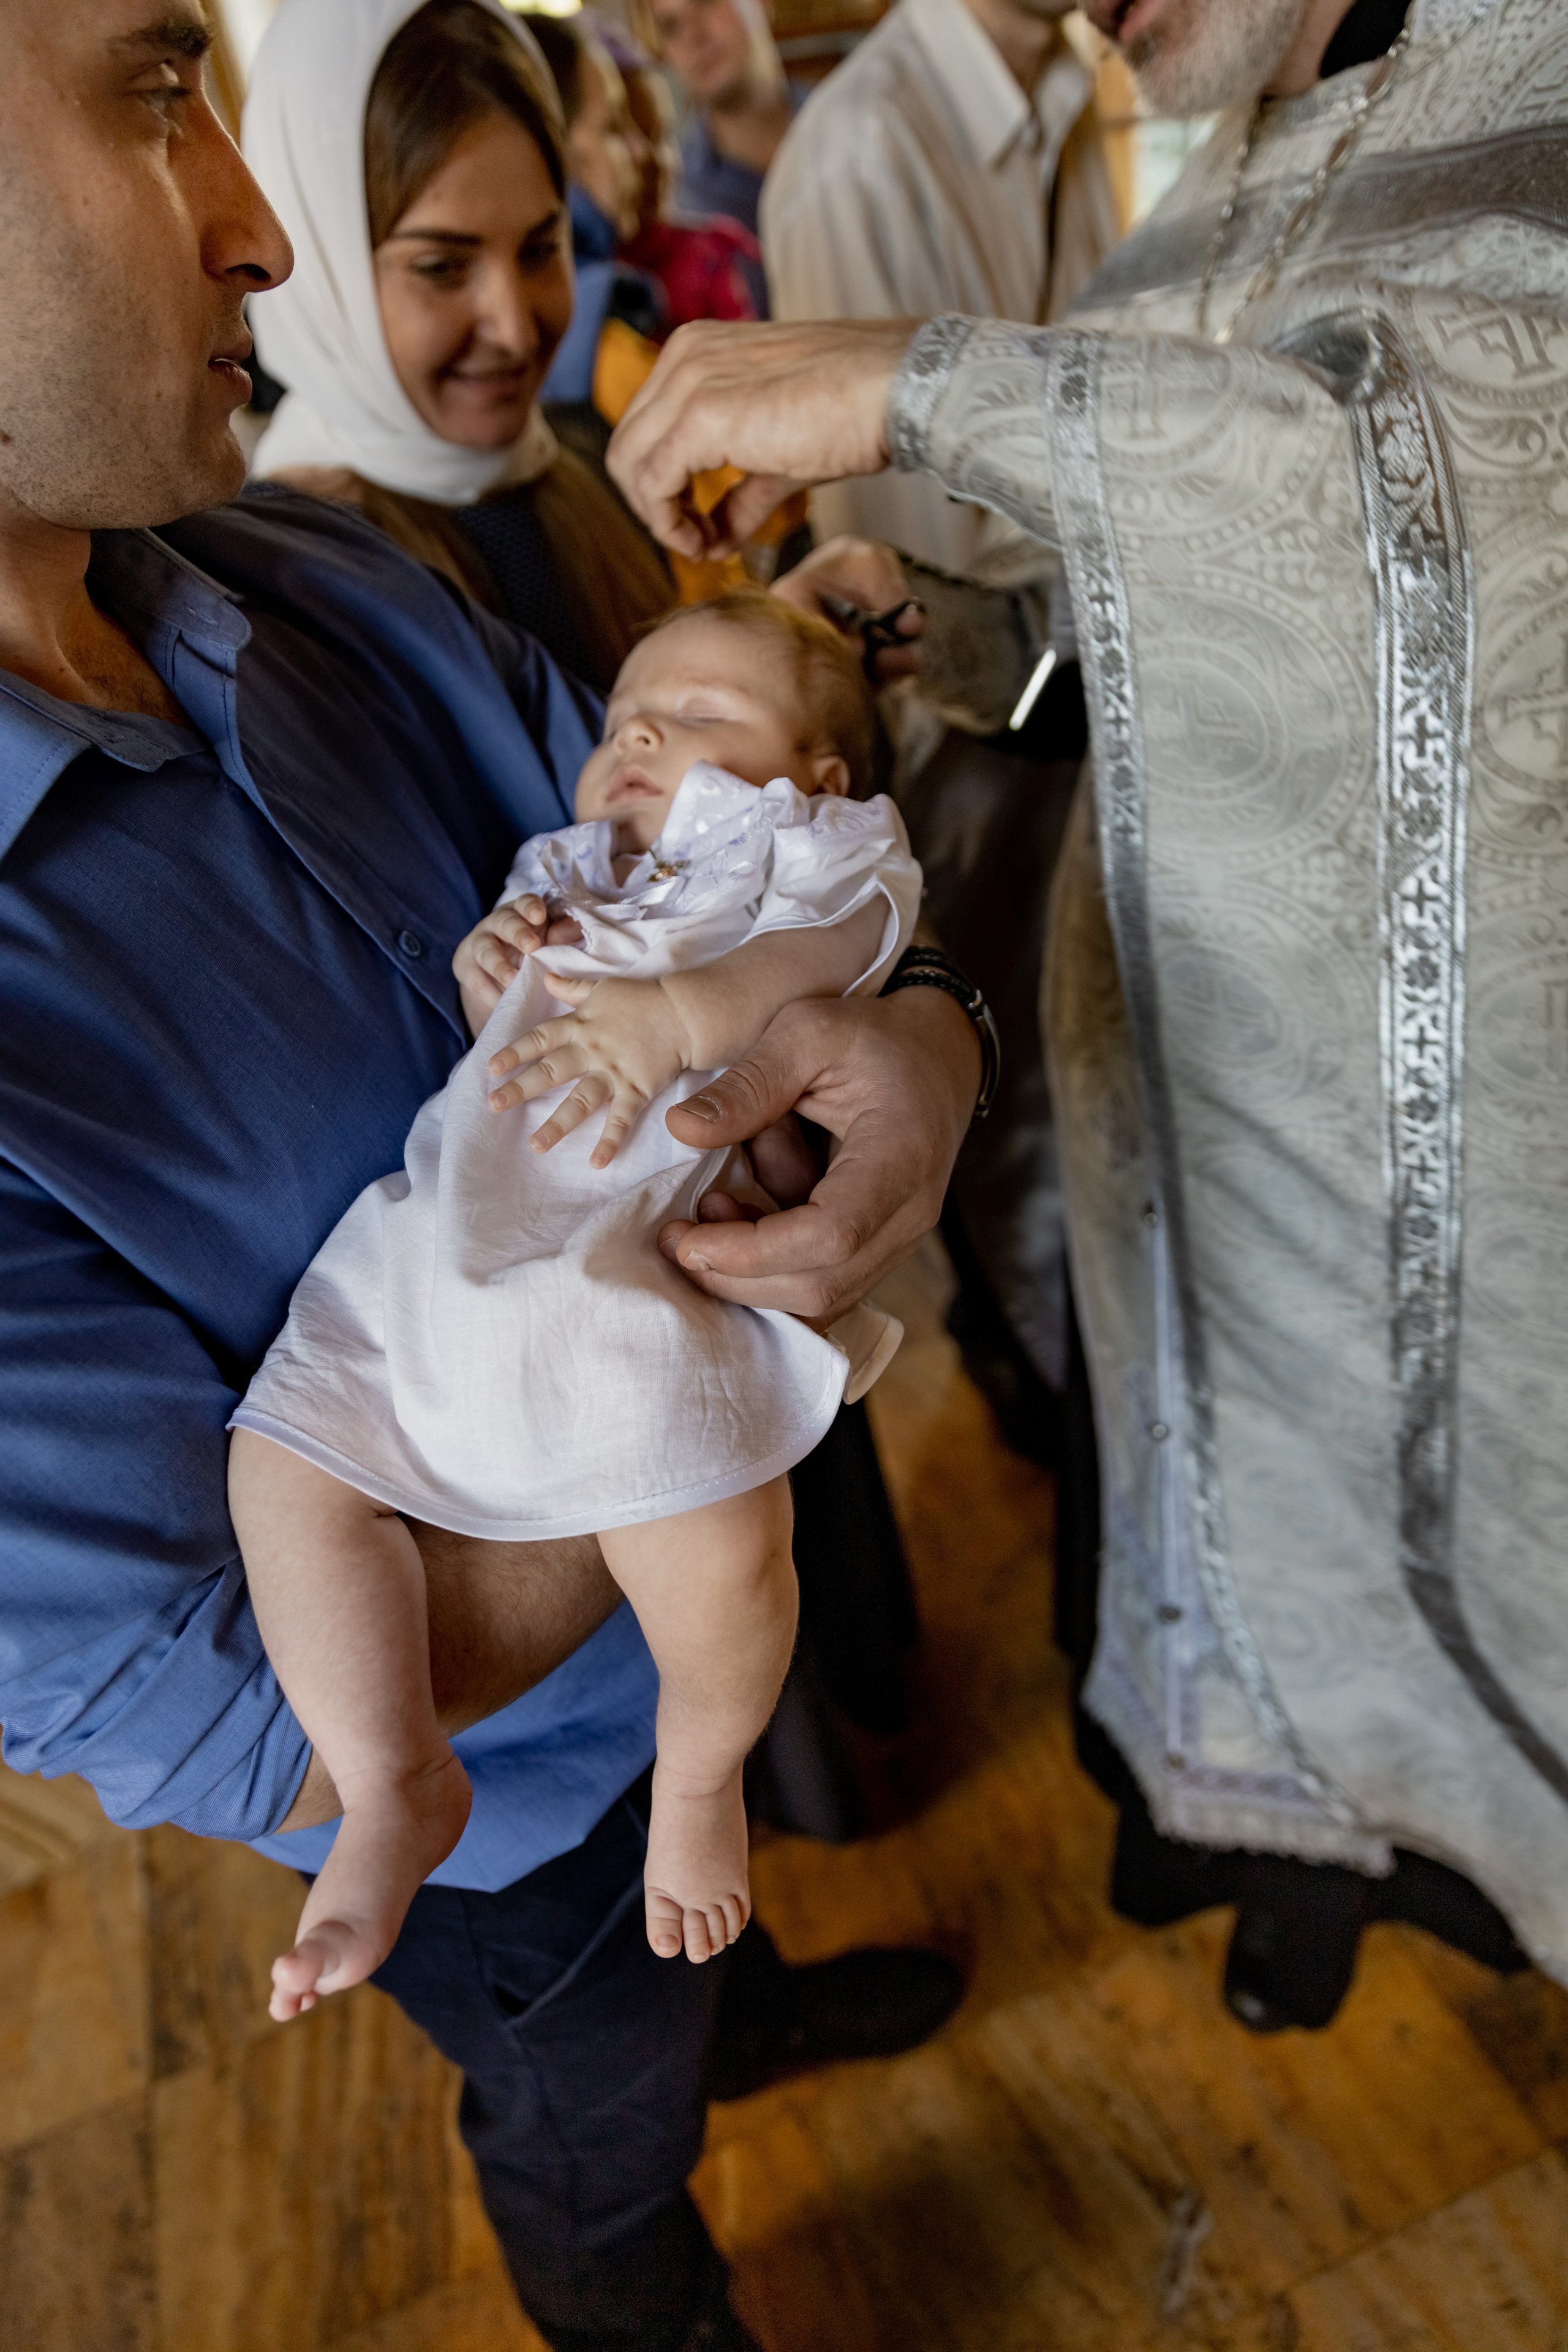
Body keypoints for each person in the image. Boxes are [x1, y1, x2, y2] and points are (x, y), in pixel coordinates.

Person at [0, 4, 982, 2346]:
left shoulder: (306, 584)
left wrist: (928, 1039)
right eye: (153, 96)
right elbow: (247, 1694)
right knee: (585, 2109)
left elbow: (734, 890)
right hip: (508, 1825)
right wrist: (719, 1380)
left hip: (661, 1671)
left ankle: (727, 2003)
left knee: (696, 1953)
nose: (257, 228)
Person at [608, 0, 1568, 2024]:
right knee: (1232, 1494)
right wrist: (976, 633)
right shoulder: (1232, 167)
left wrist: (929, 385)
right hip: (1207, 1090)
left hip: (1456, 1118)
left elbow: (1441, 490)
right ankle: (1311, 1842)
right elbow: (1215, 590)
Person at [230, 594, 920, 2014]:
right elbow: (513, 980)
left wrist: (679, 1017)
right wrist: (500, 950)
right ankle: (389, 1777)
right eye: (627, 721)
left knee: (717, 1533)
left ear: (821, 776)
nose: (648, 732)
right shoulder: (575, 866)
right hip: (441, 1249)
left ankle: (702, 1767)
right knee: (286, 1460)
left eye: (707, 717)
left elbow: (839, 945)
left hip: (626, 1265)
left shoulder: (812, 860)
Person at [761, 0, 1121, 1437]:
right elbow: (924, 592)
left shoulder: (1083, 101)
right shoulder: (857, 159)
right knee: (1020, 1111)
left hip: (1102, 709)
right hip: (994, 745)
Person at [608, 21, 767, 328]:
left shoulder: (706, 258)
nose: (648, 158)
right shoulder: (583, 288)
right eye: (617, 134)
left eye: (659, 136)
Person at [642, 0, 801, 244]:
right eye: (671, 26)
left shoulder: (854, 126)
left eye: (706, 3)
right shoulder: (679, 206)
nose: (694, 36)